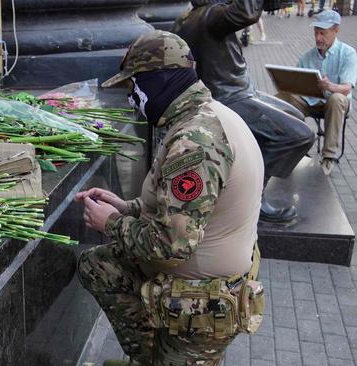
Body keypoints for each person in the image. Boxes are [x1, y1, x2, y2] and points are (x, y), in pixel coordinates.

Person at [77, 30, 265, 366]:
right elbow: (190, 209)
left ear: (158, 82)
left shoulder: (195, 142)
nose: (131, 98)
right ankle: (154, 355)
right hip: (199, 282)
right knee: (99, 265)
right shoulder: (203, 116)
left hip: (201, 303)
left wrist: (112, 223)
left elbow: (171, 245)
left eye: (133, 87)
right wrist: (128, 207)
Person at [172, 0, 315, 223]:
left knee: (295, 115)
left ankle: (254, 165)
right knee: (299, 136)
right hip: (230, 98)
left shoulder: (191, 17)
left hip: (241, 92)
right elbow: (246, 12)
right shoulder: (210, 17)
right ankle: (252, 198)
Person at [276, 10, 357, 175]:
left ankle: (328, 156)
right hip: (312, 101)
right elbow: (296, 81)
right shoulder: (308, 57)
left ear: (336, 30)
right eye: (316, 33)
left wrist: (330, 86)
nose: (318, 38)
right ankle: (292, 147)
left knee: (336, 99)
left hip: (336, 103)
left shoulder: (348, 53)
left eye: (323, 33)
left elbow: (347, 87)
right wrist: (286, 83)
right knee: (283, 98)